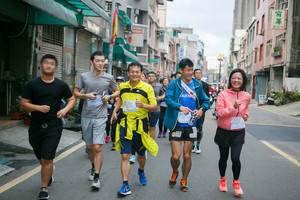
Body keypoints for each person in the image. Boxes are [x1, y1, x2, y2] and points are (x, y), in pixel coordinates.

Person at [20, 54, 76, 200]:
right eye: (46, 63)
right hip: (36, 126)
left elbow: (71, 100)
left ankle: (44, 188)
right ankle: (48, 170)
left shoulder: (61, 85)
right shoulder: (33, 84)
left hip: (54, 126)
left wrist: (64, 111)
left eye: (52, 63)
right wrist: (38, 108)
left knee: (47, 158)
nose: (49, 65)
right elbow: (24, 103)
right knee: (41, 157)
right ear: (41, 66)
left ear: (55, 67)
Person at [111, 62, 158, 197]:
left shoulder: (147, 88)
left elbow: (154, 107)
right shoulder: (124, 86)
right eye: (132, 71)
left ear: (141, 73)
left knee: (141, 154)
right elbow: (120, 99)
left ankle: (141, 171)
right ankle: (125, 185)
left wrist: (143, 105)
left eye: (137, 72)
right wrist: (115, 111)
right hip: (126, 123)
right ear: (128, 73)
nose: (134, 74)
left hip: (141, 125)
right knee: (125, 155)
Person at [73, 51, 119, 190]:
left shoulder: (109, 77)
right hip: (86, 116)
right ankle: (93, 166)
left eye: (102, 61)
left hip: (100, 116)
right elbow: (75, 93)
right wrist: (86, 95)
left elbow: (118, 91)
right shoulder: (84, 76)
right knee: (89, 147)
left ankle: (97, 177)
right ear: (92, 61)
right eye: (98, 60)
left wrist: (109, 97)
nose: (100, 63)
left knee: (98, 147)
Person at [164, 58, 210, 192]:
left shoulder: (197, 85)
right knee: (176, 157)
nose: (191, 73)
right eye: (188, 70)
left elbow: (205, 101)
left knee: (187, 156)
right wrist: (180, 107)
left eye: (192, 70)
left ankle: (184, 180)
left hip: (192, 124)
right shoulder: (173, 84)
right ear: (181, 70)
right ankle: (174, 171)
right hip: (176, 124)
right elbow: (168, 100)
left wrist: (201, 110)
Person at [214, 68, 251, 196]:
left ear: (243, 81)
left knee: (235, 158)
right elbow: (219, 113)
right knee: (223, 158)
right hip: (224, 130)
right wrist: (233, 107)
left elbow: (246, 110)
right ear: (230, 79)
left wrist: (246, 115)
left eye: (239, 78)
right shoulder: (223, 94)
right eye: (234, 78)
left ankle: (236, 183)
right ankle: (223, 179)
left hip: (238, 131)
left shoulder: (246, 96)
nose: (236, 80)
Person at [192, 69, 210, 154]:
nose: (198, 74)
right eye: (196, 73)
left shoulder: (205, 85)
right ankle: (192, 144)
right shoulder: (191, 84)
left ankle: (198, 145)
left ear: (202, 75)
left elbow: (207, 98)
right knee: (191, 127)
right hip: (191, 109)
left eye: (200, 73)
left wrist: (203, 109)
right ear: (194, 74)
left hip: (201, 110)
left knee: (199, 127)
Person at [110, 76, 125, 151]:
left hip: (123, 111)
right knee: (113, 126)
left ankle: (122, 141)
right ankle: (113, 142)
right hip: (114, 111)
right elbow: (111, 101)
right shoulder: (113, 91)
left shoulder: (125, 90)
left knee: (123, 127)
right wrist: (112, 98)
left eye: (120, 81)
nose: (119, 83)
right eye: (117, 81)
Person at [147, 71, 162, 139]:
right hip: (145, 109)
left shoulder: (158, 86)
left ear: (155, 78)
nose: (151, 77)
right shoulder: (144, 85)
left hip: (156, 109)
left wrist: (160, 98)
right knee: (145, 127)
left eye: (152, 76)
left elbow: (164, 94)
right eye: (149, 76)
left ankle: (151, 143)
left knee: (153, 127)